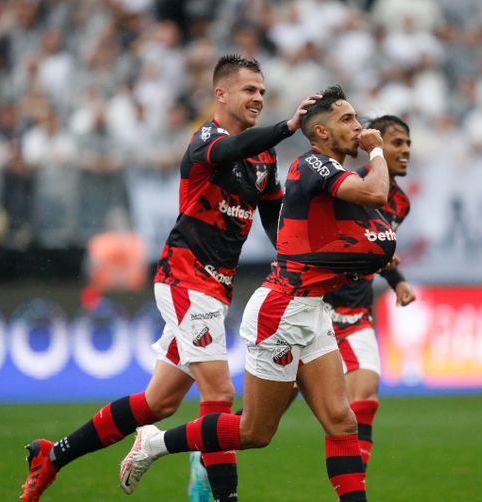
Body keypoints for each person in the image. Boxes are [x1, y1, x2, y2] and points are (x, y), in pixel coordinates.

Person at [20, 54, 319, 502]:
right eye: (248, 90)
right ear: (221, 94)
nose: (258, 97)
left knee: (158, 403)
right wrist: (287, 126)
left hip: (215, 287)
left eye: (262, 90)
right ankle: (224, 498)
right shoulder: (206, 139)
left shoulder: (264, 156)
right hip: (185, 278)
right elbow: (227, 151)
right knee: (218, 393)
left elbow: (274, 220)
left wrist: (302, 258)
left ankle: (53, 455)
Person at [118, 85, 395, 502]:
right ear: (319, 132)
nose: (359, 129)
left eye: (358, 120)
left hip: (312, 310)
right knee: (253, 433)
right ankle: (155, 444)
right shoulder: (314, 165)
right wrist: (377, 151)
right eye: (348, 120)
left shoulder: (335, 179)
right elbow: (376, 194)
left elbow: (374, 233)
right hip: (281, 312)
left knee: (342, 422)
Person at [323, 114, 416, 471]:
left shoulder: (400, 203)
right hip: (316, 310)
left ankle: (354, 491)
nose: (405, 150)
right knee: (258, 423)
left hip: (357, 315)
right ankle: (204, 451)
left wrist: (398, 281)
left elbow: (381, 250)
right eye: (397, 143)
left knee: (364, 403)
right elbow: (332, 244)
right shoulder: (349, 188)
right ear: (375, 147)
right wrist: (370, 258)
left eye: (408, 143)